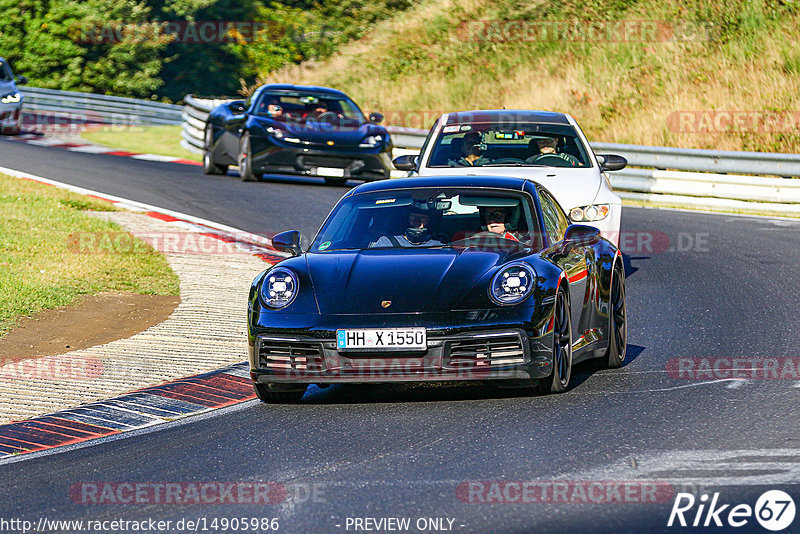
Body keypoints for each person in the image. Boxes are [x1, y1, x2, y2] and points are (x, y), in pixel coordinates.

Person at [372, 205, 443, 247]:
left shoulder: (438, 246)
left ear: (429, 221)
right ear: (406, 219)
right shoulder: (386, 242)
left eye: (422, 218)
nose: (416, 222)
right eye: (413, 217)